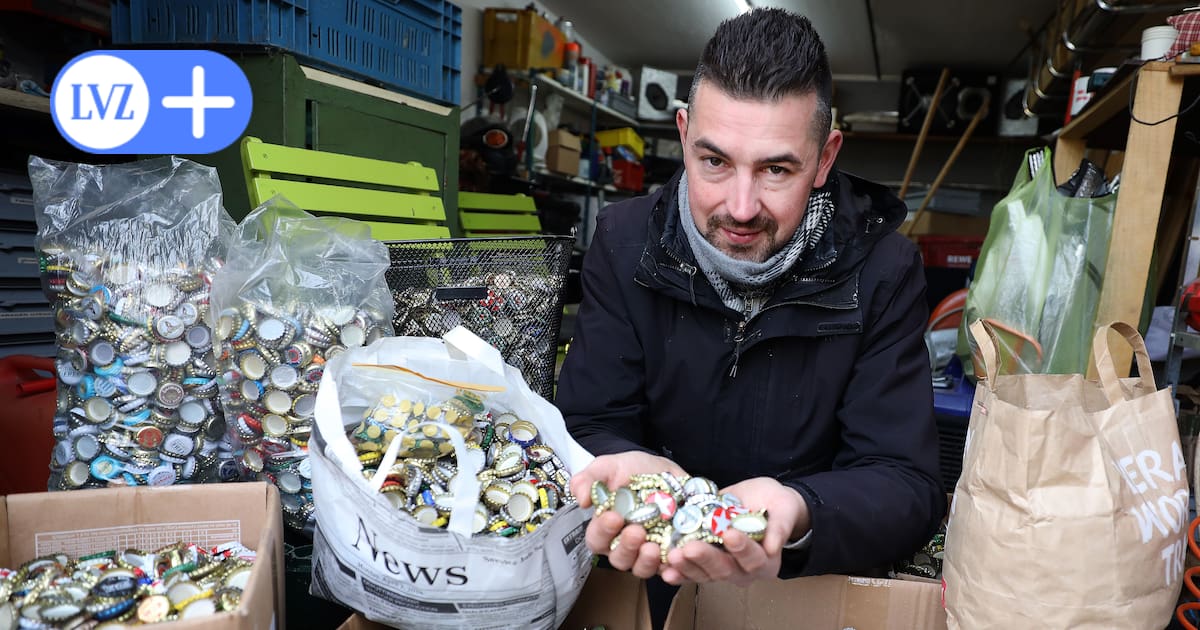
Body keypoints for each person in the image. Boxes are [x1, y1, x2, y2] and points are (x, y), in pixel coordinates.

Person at [555, 7, 945, 623]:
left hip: (805, 587)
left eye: (776, 169)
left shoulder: (885, 269)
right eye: (714, 161)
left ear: (824, 158)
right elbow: (590, 421)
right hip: (651, 574)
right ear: (683, 135)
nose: (740, 207)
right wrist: (632, 469)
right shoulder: (622, 241)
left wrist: (796, 511)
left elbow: (905, 482)